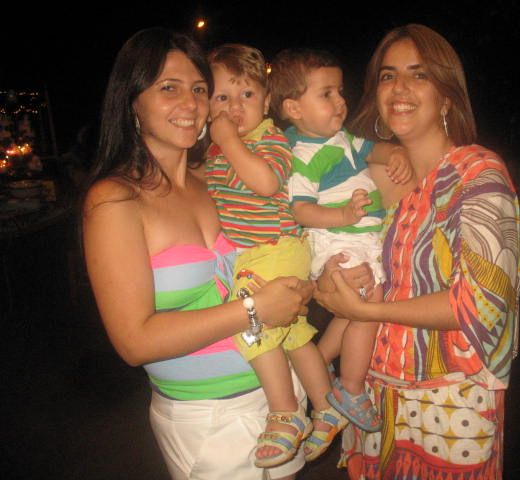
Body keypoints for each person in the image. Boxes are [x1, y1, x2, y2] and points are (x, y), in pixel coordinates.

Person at [82, 28, 313, 480]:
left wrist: (311, 284)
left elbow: (283, 235)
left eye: (200, 89)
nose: (190, 103)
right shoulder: (115, 200)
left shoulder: (219, 180)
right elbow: (134, 342)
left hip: (280, 399)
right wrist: (254, 309)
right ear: (132, 101)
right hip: (207, 421)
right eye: (169, 88)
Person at [314, 24, 520, 480]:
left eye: (419, 74)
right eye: (388, 76)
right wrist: (327, 279)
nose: (400, 88)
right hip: (374, 396)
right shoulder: (368, 179)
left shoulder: (478, 175)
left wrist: (367, 311)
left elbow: (481, 303)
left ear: (447, 96)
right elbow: (326, 249)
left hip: (450, 401)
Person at [268, 48, 413, 459]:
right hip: (338, 237)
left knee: (351, 314)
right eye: (326, 94)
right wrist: (343, 214)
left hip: (355, 236)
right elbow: (300, 209)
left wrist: (395, 153)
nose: (340, 101)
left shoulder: (340, 139)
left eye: (339, 91)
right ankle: (350, 388)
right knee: (368, 304)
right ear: (294, 108)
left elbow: (372, 149)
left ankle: (316, 371)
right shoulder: (304, 154)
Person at [203, 43, 342, 468]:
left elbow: (265, 184)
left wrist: (227, 139)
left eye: (247, 94)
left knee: (251, 325)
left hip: (275, 247)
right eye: (222, 97)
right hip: (263, 251)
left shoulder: (270, 140)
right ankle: (327, 405)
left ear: (266, 102)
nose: (234, 107)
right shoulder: (217, 151)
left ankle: (285, 413)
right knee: (294, 333)